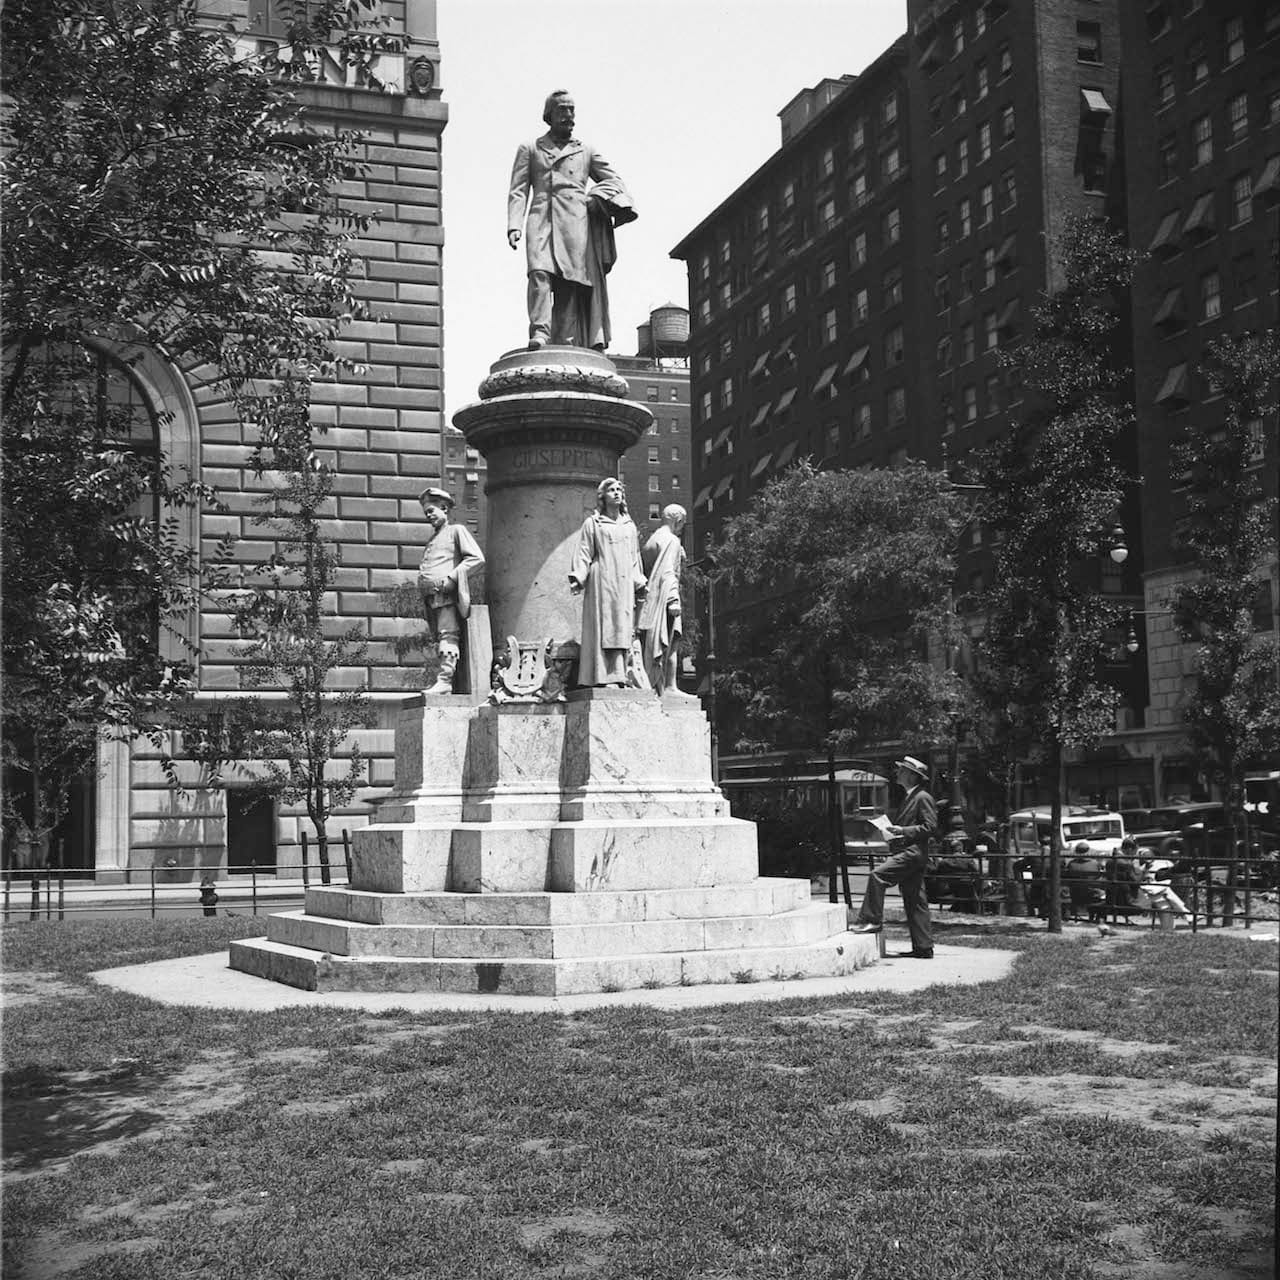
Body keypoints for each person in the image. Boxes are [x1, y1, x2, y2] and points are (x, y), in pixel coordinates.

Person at [507, 90, 637, 350]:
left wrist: (596, 197)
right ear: (549, 114)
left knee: (568, 283)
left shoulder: (585, 151)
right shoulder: (531, 148)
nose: (568, 115)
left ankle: (565, 340)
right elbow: (518, 190)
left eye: (571, 110)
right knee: (539, 274)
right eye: (562, 109)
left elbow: (615, 181)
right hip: (541, 218)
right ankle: (540, 332)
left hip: (575, 224)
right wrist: (514, 224)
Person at [854, 755, 939, 958]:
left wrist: (902, 830)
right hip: (910, 852)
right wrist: (894, 833)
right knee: (915, 900)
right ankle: (923, 947)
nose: (897, 773)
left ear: (912, 775)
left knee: (877, 875)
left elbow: (930, 827)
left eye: (901, 770)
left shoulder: (922, 797)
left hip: (912, 853)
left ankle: (872, 920)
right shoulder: (911, 796)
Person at [568, 478, 646, 688]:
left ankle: (620, 674)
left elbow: (634, 557)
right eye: (611, 490)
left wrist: (639, 581)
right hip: (601, 579)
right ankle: (602, 676)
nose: (616, 493)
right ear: (602, 496)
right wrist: (579, 576)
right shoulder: (593, 523)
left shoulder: (629, 526)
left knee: (622, 625)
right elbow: (584, 551)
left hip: (624, 581)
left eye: (619, 489)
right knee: (603, 626)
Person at [418, 488, 485, 695]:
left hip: (446, 595)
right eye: (426, 513)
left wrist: (452, 577)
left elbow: (476, 558)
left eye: (431, 510)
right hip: (431, 597)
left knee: (448, 635)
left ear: (444, 508)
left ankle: (445, 680)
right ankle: (445, 680)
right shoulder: (433, 539)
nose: (429, 516)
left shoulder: (457, 530)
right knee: (440, 637)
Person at [638, 504, 686, 694]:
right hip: (665, 597)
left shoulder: (652, 539)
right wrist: (673, 599)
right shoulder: (672, 540)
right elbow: (667, 571)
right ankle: (670, 687)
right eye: (682, 524)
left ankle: (655, 684)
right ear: (678, 521)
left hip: (649, 601)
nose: (681, 528)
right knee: (671, 643)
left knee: (648, 647)